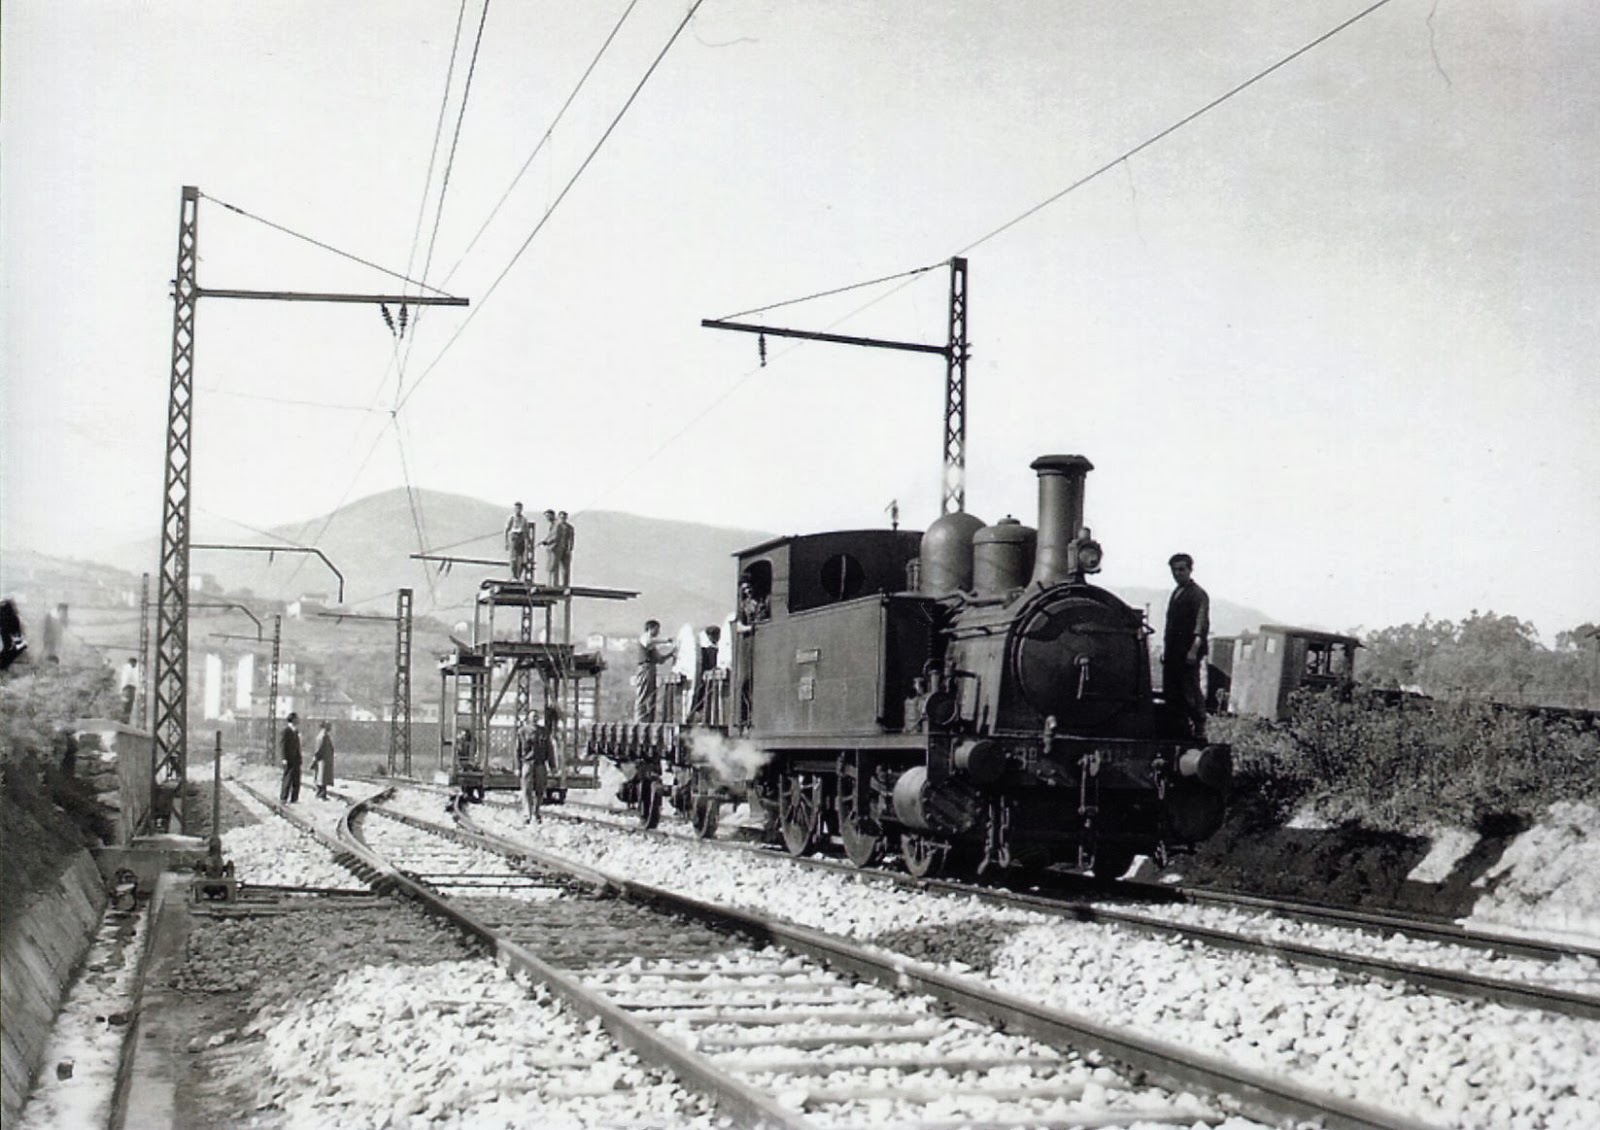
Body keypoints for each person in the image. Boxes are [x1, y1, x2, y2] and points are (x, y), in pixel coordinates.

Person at [1163, 553, 1211, 740]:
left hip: (1188, 654)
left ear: (1190, 570)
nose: (1177, 573)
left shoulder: (1198, 594)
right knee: (1172, 692)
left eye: (1181, 569)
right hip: (1173, 652)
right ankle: (1178, 729)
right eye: (1174, 570)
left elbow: (1201, 626)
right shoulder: (1176, 593)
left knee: (1190, 691)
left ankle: (1199, 728)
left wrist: (1193, 650)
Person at [632, 619, 677, 723]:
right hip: (645, 668)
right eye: (656, 629)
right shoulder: (645, 638)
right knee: (643, 694)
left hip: (651, 668)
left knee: (650, 695)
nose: (658, 632)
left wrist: (671, 653)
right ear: (650, 629)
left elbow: (660, 660)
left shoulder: (652, 645)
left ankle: (648, 719)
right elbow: (648, 642)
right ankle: (640, 719)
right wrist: (665, 641)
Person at [517, 722, 554, 823]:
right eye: (533, 716)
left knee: (540, 789)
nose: (535, 718)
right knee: (526, 789)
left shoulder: (543, 732)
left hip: (540, 763)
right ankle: (527, 814)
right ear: (529, 718)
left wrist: (552, 765)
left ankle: (536, 812)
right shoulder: (522, 731)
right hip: (527, 763)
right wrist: (517, 767)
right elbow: (517, 750)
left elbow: (550, 749)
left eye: (536, 716)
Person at [542, 509, 575, 589]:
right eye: (561, 517)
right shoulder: (555, 525)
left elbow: (569, 539)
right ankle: (553, 584)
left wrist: (569, 549)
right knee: (553, 567)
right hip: (555, 549)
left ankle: (564, 585)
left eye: (564, 517)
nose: (563, 519)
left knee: (564, 569)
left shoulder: (567, 527)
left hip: (563, 549)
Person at [279, 712, 302, 803]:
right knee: (287, 779)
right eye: (296, 719)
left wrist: (299, 758)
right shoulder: (286, 731)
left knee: (297, 779)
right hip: (288, 759)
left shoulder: (296, 731)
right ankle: (284, 797)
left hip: (296, 759)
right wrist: (284, 758)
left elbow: (298, 746)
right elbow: (282, 745)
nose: (298, 720)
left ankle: (294, 798)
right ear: (292, 720)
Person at [505, 502, 531, 580]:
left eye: (519, 508)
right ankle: (514, 575)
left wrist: (528, 542)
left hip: (521, 537)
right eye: (516, 508)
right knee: (513, 558)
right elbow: (507, 530)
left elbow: (526, 531)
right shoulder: (512, 518)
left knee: (521, 558)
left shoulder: (524, 519)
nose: (518, 510)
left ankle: (518, 575)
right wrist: (506, 542)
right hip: (514, 536)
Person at [310, 721, 335, 800]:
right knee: (322, 778)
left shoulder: (323, 735)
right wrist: (316, 757)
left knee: (322, 778)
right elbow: (319, 748)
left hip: (324, 759)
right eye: (329, 726)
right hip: (323, 760)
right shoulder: (323, 736)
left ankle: (321, 794)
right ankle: (321, 794)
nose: (330, 727)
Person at [118, 656, 139, 724]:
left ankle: (124, 720)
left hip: (128, 689)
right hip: (128, 688)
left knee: (126, 705)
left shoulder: (127, 668)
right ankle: (125, 720)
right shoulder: (128, 668)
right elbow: (127, 679)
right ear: (132, 662)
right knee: (127, 705)